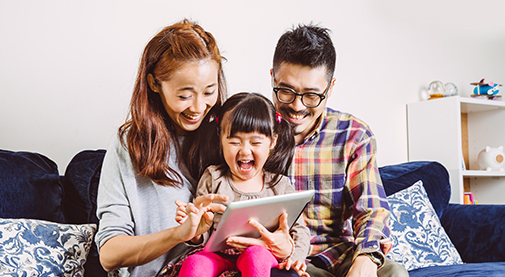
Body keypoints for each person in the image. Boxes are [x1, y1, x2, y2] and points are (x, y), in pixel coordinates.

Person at [268, 24, 409, 277]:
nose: (297, 106)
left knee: (393, 273)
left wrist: (367, 256)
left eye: (312, 96)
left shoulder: (354, 135)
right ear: (272, 78)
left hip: (340, 253)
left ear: (330, 88)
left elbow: (371, 209)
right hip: (283, 258)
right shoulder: (251, 133)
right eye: (286, 91)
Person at [95, 19, 230, 277]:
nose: (199, 107)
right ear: (155, 84)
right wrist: (179, 234)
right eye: (184, 95)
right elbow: (109, 254)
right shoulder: (129, 144)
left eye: (209, 92)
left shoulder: (225, 136)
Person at [175, 92, 311, 277]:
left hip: (263, 254)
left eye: (255, 142)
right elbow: (202, 237)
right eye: (234, 142)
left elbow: (300, 231)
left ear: (273, 141)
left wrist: (296, 258)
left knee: (256, 256)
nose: (245, 150)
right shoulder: (213, 178)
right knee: (195, 263)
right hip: (217, 255)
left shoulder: (280, 186)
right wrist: (195, 230)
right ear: (221, 140)